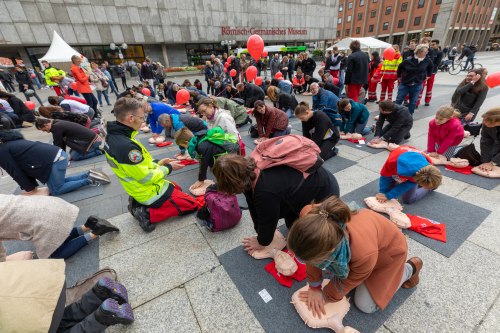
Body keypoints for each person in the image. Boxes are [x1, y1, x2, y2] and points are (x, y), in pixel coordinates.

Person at [287, 196, 422, 315]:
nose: (303, 261)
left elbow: (351, 279)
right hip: (370, 243)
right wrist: (314, 287)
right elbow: (310, 253)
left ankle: (409, 269)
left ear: (332, 249)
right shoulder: (310, 216)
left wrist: (326, 295)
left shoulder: (364, 253)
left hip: (389, 253)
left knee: (366, 306)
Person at [104, 98, 199, 232]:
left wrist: (160, 163)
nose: (144, 121)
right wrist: (169, 168)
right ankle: (146, 212)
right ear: (131, 118)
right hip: (147, 190)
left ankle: (138, 202)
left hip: (138, 187)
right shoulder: (126, 146)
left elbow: (138, 167)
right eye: (142, 117)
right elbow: (146, 177)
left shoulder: (114, 136)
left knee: (176, 188)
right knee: (192, 204)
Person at [213, 152, 339, 253]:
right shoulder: (247, 171)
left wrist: (262, 241)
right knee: (291, 224)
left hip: (323, 193)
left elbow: (268, 218)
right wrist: (259, 231)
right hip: (307, 183)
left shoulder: (265, 191)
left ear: (235, 183)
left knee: (307, 235)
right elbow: (253, 204)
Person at [0, 260, 134, 332]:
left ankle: (104, 317)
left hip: (20, 319)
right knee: (54, 318)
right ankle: (99, 293)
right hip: (42, 286)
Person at [0, 194, 119, 260]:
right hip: (51, 204)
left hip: (46, 223)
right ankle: (88, 225)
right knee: (57, 234)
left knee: (54, 255)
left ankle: (96, 232)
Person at [0, 129, 109, 196]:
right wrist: (31, 187)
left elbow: (15, 171)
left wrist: (30, 189)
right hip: (56, 155)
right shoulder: (11, 142)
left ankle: (89, 180)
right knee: (58, 183)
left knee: (57, 189)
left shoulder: (3, 150)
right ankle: (88, 174)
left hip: (54, 160)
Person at [377, 145, 442, 204]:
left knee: (408, 200)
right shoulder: (392, 161)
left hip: (413, 174)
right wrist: (383, 192)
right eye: (424, 185)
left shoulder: (428, 164)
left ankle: (430, 188)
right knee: (388, 190)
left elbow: (407, 184)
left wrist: (389, 196)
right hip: (400, 163)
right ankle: (428, 186)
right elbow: (385, 176)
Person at [35, 118, 104, 161]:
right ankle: (94, 149)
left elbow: (58, 144)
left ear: (46, 125)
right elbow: (61, 142)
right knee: (71, 154)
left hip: (92, 141)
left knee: (75, 157)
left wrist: (60, 158)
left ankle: (99, 151)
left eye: (43, 130)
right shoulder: (56, 122)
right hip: (91, 139)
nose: (44, 131)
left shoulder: (56, 128)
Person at [395, 44, 433, 115]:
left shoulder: (427, 60)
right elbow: (400, 67)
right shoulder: (408, 60)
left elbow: (431, 67)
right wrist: (399, 76)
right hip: (405, 83)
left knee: (413, 102)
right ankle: (395, 114)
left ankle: (409, 116)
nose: (427, 53)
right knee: (399, 100)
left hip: (417, 84)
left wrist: (428, 75)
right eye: (425, 51)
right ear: (419, 52)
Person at [416, 40, 443, 107]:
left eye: (433, 44)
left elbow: (437, 63)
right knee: (421, 87)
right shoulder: (427, 51)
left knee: (429, 87)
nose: (432, 45)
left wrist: (430, 71)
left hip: (432, 72)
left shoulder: (439, 53)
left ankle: (427, 100)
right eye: (431, 44)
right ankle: (417, 102)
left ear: (437, 45)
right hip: (424, 72)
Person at [477, 108, 500, 172]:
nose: (485, 124)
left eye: (489, 124)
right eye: (484, 121)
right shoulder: (486, 121)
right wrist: (485, 161)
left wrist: (492, 163)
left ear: (498, 122)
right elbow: (485, 141)